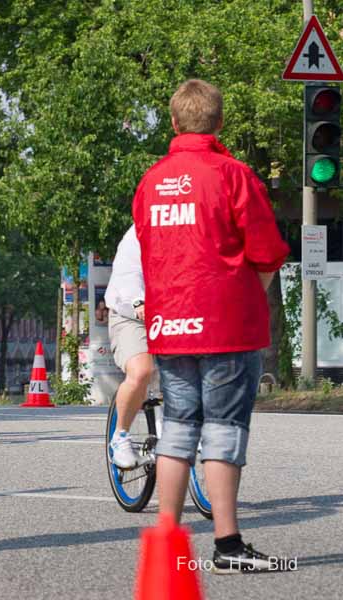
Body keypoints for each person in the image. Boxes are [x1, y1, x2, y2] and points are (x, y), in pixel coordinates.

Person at [132, 79, 290, 573]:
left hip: (172, 324)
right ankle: (227, 546)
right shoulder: (234, 174)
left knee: (178, 429)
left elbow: (147, 246)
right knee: (224, 431)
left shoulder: (151, 180)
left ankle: (167, 544)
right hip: (225, 326)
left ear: (175, 123)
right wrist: (246, 295)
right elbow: (267, 252)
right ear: (219, 122)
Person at [104, 224, 154, 469]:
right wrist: (139, 301)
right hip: (132, 315)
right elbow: (128, 273)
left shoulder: (192, 224)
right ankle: (121, 436)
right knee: (142, 371)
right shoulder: (140, 231)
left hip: (177, 317)